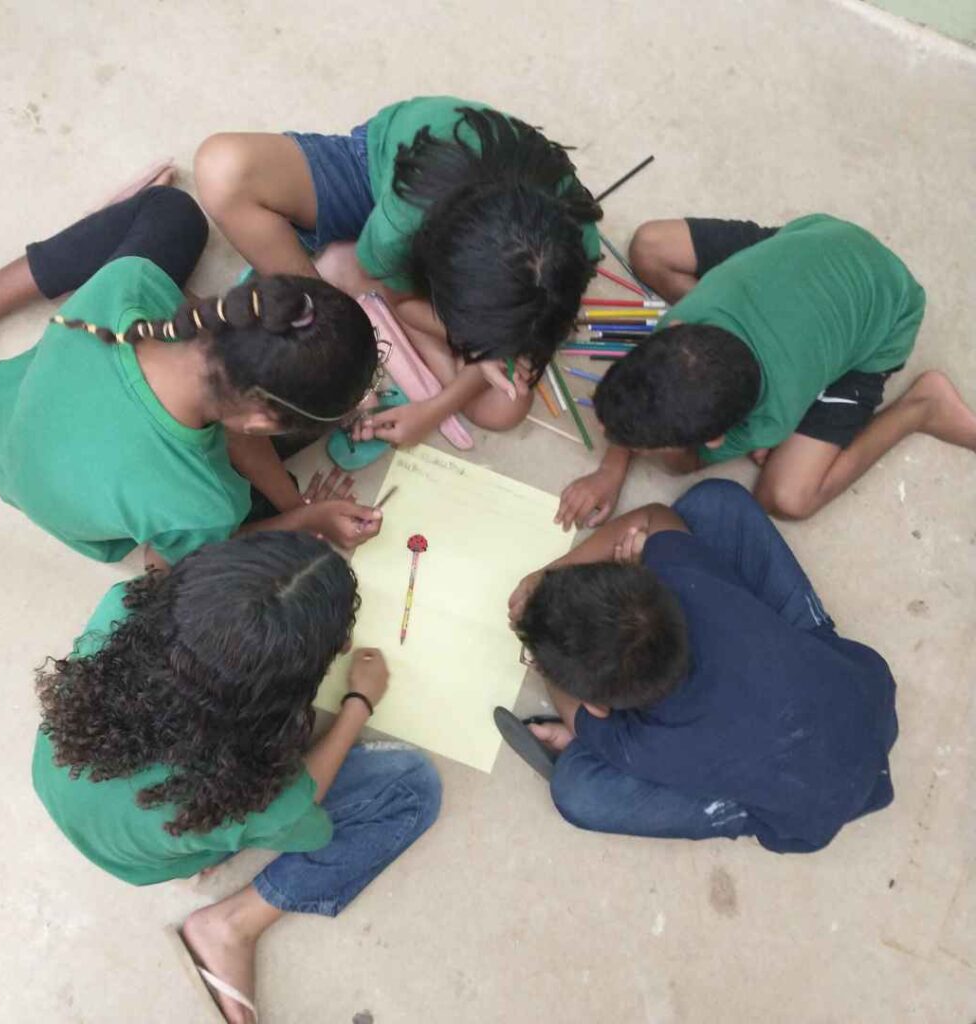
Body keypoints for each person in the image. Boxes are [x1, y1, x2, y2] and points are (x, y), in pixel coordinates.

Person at [33, 530, 441, 1023]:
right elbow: (309, 825)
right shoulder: (244, 790)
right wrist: (359, 702)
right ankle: (234, 925)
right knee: (412, 786)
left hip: (65, 784)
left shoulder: (122, 605)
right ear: (280, 691)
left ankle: (200, 864)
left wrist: (300, 577)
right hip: (152, 854)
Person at [0, 178, 385, 565]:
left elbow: (241, 422)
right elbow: (175, 565)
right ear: (257, 421)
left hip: (6, 419)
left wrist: (298, 505)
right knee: (261, 498)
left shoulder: (128, 281)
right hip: (64, 500)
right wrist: (304, 520)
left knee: (172, 212)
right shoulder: (204, 502)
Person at [506, 479, 898, 854]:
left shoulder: (645, 747)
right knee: (716, 503)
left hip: (806, 811)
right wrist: (549, 577)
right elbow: (652, 517)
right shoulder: (683, 580)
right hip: (861, 691)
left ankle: (745, 807)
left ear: (598, 706)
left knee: (578, 791)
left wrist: (540, 654)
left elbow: (581, 721)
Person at [194, 95, 603, 445]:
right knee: (223, 171)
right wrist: (467, 354)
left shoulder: (571, 249)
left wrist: (433, 409)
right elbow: (403, 300)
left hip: (437, 239)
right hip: (378, 173)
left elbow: (522, 339)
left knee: (504, 408)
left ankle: (347, 270)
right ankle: (343, 274)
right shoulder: (403, 225)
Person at [556, 214, 976, 527]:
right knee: (648, 247)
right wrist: (611, 468)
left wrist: (653, 457)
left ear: (717, 437)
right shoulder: (689, 318)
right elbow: (652, 389)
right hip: (817, 243)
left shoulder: (771, 418)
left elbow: (682, 463)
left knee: (787, 497)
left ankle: (923, 407)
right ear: (679, 331)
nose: (609, 437)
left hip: (887, 314)